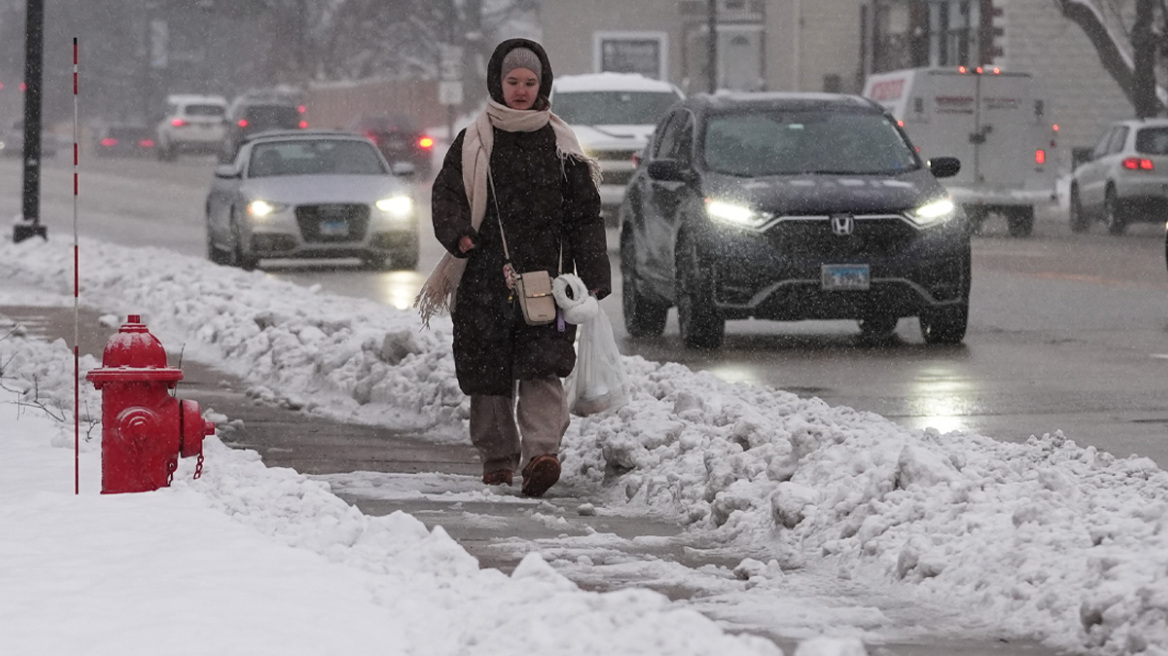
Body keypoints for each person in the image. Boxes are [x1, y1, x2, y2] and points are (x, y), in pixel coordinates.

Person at [415, 39, 610, 498]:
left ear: (542, 85)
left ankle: (542, 455)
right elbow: (446, 195)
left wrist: (594, 276)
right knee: (489, 374)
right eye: (512, 81)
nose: (521, 90)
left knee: (543, 366)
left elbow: (585, 215)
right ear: (496, 83)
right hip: (485, 277)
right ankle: (498, 461)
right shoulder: (473, 141)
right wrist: (459, 232)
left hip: (548, 279)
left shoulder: (562, 146)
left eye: (530, 82)